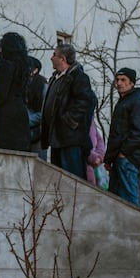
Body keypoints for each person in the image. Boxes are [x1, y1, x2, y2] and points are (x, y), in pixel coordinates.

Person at [40, 43, 96, 179]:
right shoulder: (56, 78)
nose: (51, 58)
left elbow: (84, 103)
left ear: (63, 58)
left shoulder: (78, 77)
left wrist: (67, 122)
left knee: (72, 180)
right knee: (58, 180)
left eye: (54, 54)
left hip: (70, 140)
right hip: (56, 139)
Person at [104, 67, 140, 206]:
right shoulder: (125, 101)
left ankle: (134, 227)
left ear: (132, 83)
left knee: (129, 202)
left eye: (123, 80)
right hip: (120, 159)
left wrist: (123, 153)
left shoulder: (137, 102)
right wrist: (109, 158)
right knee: (117, 201)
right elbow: (117, 134)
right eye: (117, 80)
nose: (119, 83)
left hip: (128, 159)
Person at [0, 32, 30, 151]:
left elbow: (1, 93)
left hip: (5, 114)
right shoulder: (24, 66)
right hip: (20, 112)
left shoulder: (7, 66)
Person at [26, 56, 47, 159]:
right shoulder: (22, 85)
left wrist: (27, 120)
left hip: (38, 134)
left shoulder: (43, 87)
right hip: (24, 133)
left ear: (35, 70)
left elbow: (45, 112)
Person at [86, 118, 106, 187]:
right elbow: (79, 142)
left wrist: (99, 156)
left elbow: (100, 141)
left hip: (96, 165)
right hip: (86, 164)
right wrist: (93, 157)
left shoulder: (92, 121)